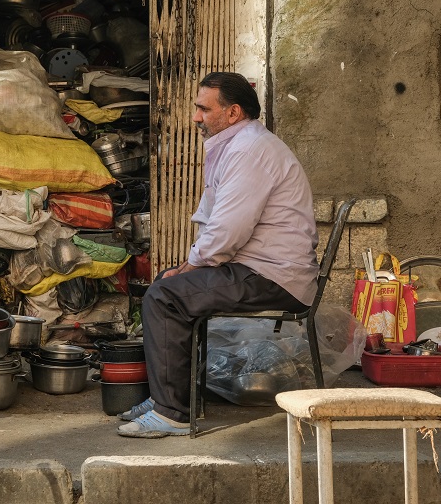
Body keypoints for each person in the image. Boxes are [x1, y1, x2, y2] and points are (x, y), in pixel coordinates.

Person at [117, 72, 319, 438]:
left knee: (164, 297)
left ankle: (172, 413)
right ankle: (171, 397)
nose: (196, 117)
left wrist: (193, 264)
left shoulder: (249, 149)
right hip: (262, 268)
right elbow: (222, 226)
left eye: (204, 109)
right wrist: (189, 265)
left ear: (233, 112)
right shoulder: (241, 144)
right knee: (166, 284)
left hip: (273, 275)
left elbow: (228, 228)